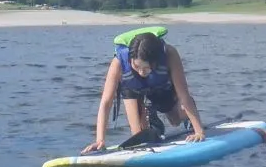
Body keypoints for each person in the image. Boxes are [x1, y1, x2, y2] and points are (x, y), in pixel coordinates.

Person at [81, 26, 206, 154]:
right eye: (136, 66)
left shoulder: (170, 54)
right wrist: (100, 140)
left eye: (146, 68)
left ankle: (186, 119)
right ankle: (153, 122)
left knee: (176, 119)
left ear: (156, 61)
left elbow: (184, 95)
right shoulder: (119, 62)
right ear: (130, 59)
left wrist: (199, 131)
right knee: (139, 136)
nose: (141, 72)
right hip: (134, 90)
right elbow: (106, 102)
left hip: (161, 87)